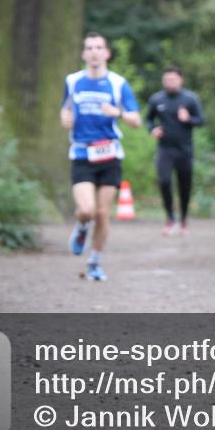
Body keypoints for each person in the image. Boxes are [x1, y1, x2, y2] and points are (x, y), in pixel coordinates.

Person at [61, 33, 141, 282]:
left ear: (106, 53)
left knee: (103, 213)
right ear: (84, 54)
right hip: (82, 152)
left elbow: (136, 120)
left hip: (109, 154)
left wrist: (116, 112)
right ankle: (82, 226)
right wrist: (65, 119)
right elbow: (65, 110)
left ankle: (94, 262)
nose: (94, 52)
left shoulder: (118, 83)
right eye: (89, 48)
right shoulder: (73, 81)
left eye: (98, 47)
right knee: (86, 210)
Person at [145, 66, 205, 235]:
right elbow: (148, 120)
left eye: (173, 79)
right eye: (166, 80)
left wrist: (188, 119)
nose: (169, 82)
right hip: (165, 149)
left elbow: (201, 120)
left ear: (181, 79)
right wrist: (153, 129)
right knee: (164, 181)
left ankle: (184, 218)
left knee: (184, 186)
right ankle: (170, 218)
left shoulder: (190, 99)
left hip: (185, 150)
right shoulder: (156, 99)